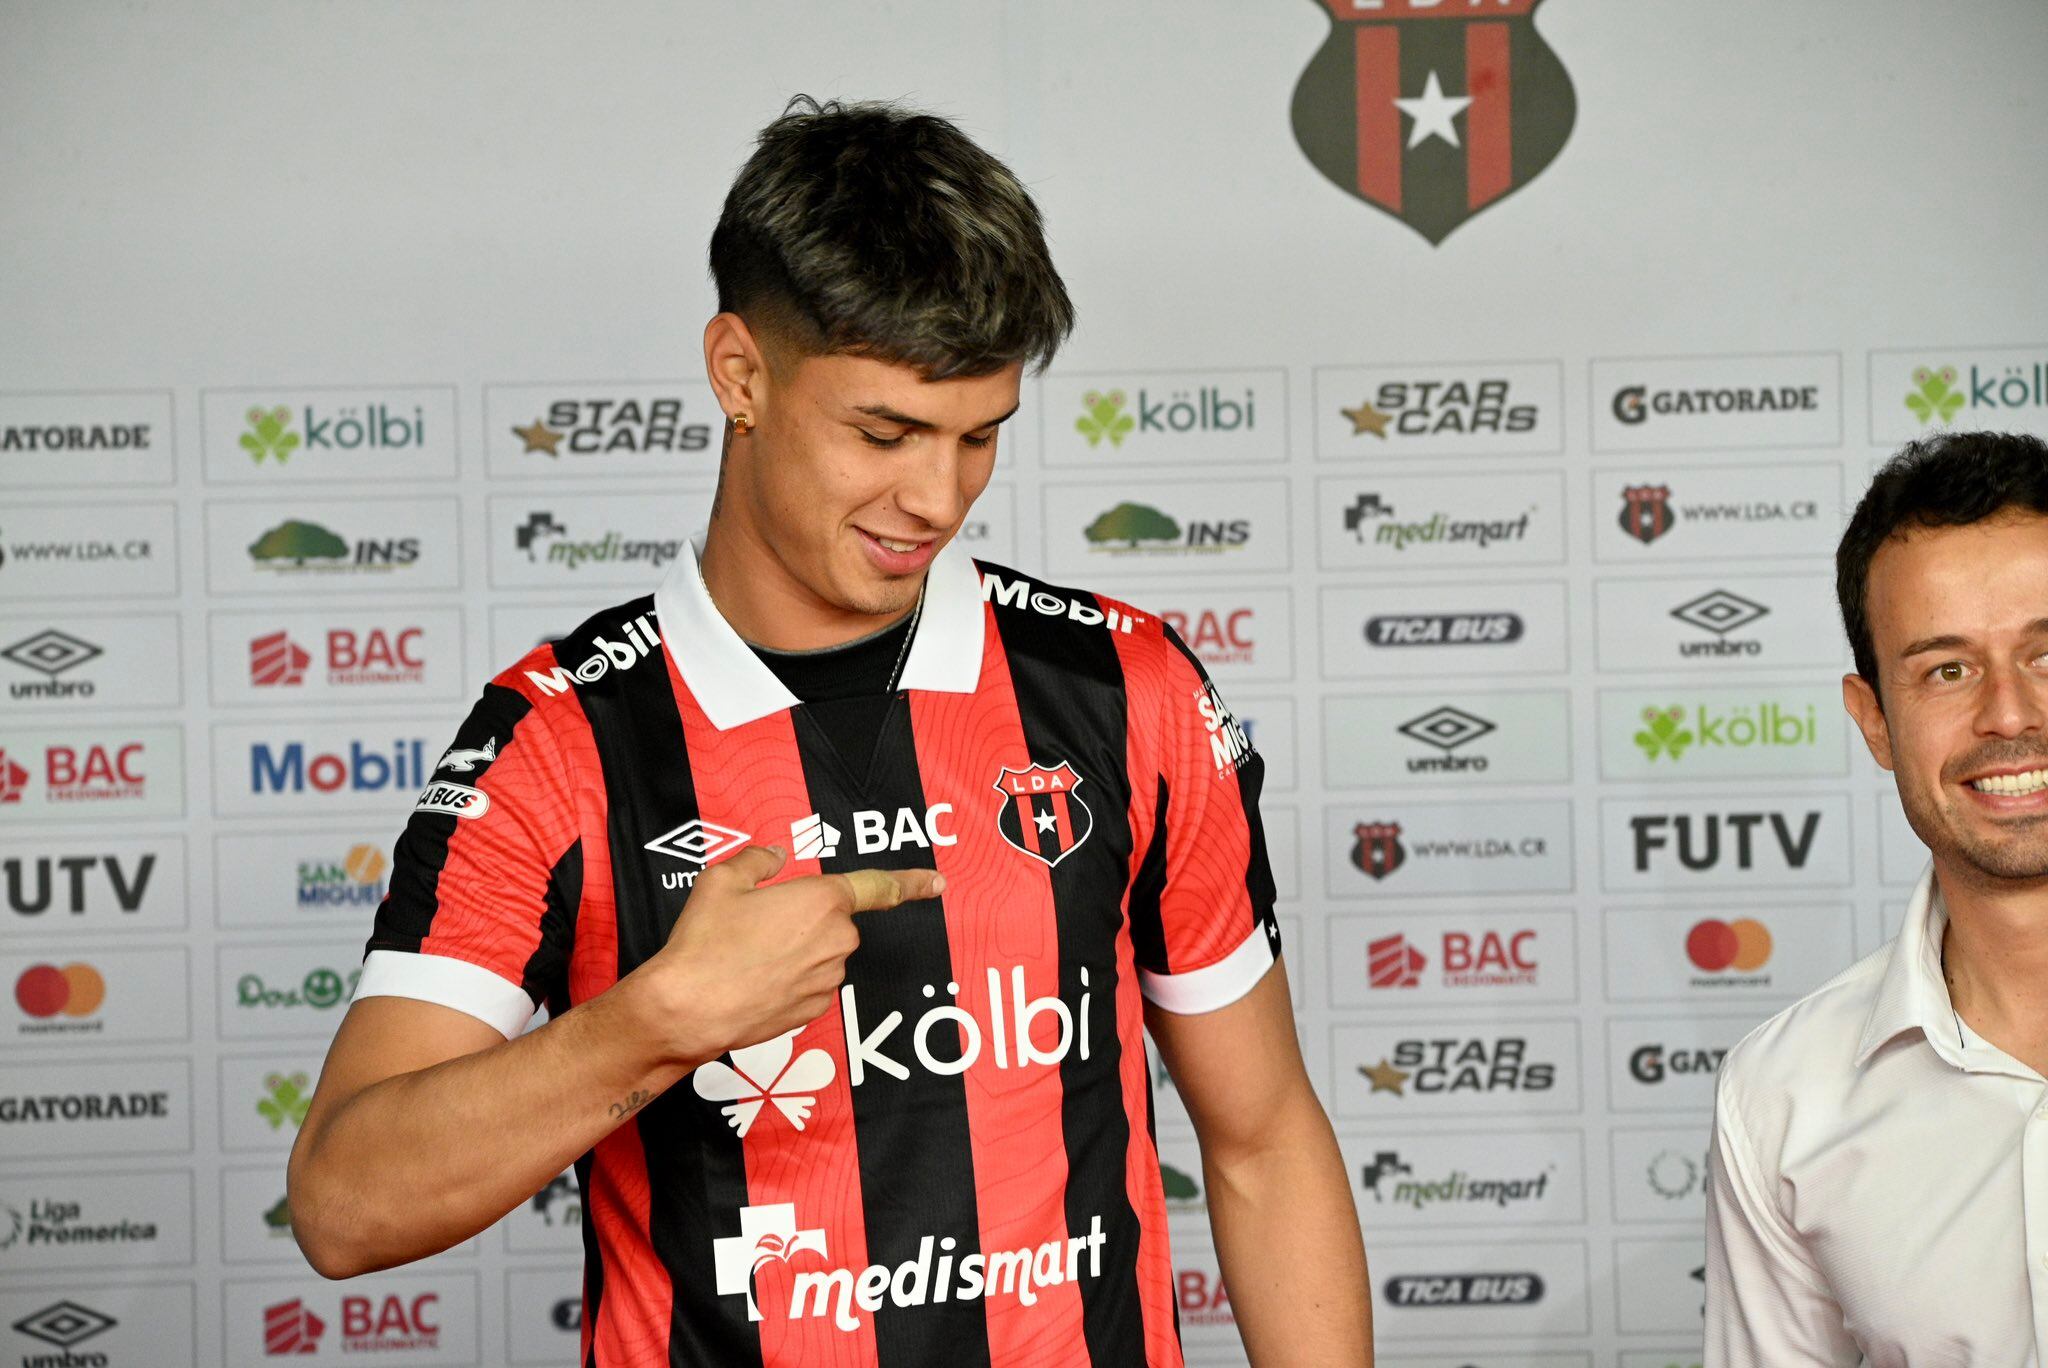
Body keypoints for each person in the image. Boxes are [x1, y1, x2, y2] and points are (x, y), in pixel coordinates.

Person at [287, 97, 1371, 1367]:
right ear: (739, 373)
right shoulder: (562, 738)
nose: (935, 498)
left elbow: (1260, 1143)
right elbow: (343, 1208)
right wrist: (655, 1021)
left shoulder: (1122, 689)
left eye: (980, 438)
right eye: (884, 433)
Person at [1704, 430, 2048, 1362]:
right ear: (1875, 722)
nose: (2009, 713)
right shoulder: (1781, 1099)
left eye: (2047, 654)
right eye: (1947, 668)